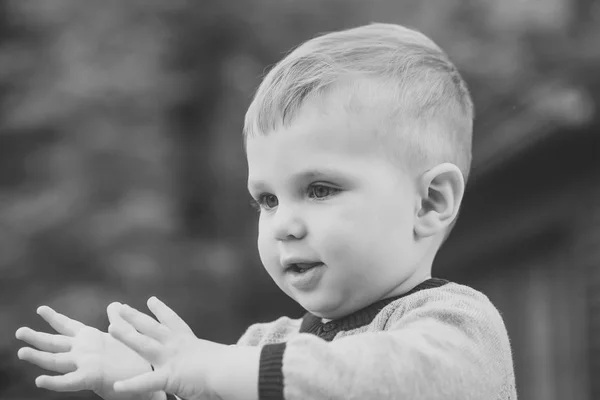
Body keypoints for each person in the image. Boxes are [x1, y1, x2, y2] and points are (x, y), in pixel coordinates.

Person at [16, 23, 517, 400]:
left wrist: (216, 368)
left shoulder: (457, 326)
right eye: (268, 200)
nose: (283, 224)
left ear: (430, 201)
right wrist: (145, 382)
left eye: (320, 189)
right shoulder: (264, 344)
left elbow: (387, 379)